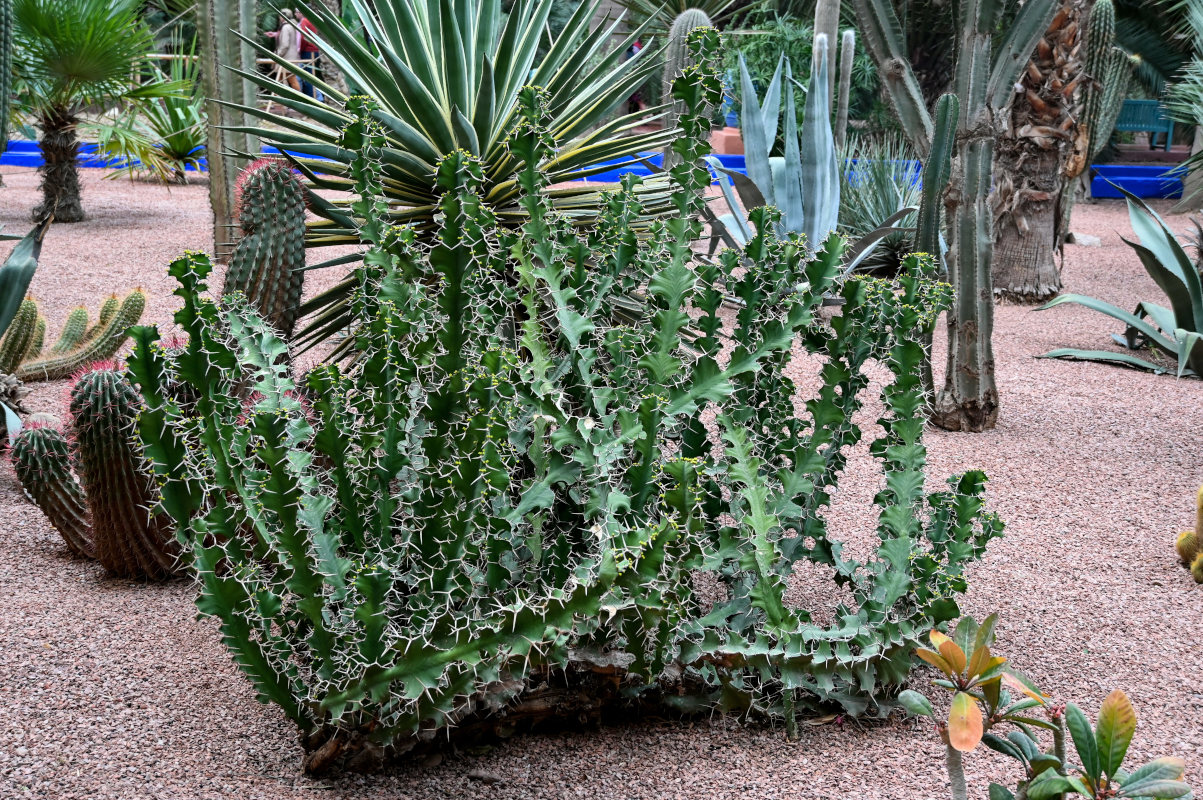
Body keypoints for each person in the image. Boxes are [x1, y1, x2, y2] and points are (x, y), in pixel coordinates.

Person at [264, 10, 302, 92]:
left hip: (286, 57)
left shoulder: (285, 27)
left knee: (291, 79)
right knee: (282, 78)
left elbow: (285, 45)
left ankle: (300, 99)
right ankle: (281, 101)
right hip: (291, 56)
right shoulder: (292, 25)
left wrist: (277, 55)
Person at [295, 9, 323, 100]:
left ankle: (312, 100)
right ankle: (318, 99)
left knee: (308, 77)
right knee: (312, 75)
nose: (296, 14)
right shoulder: (312, 21)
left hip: (308, 51)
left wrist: (301, 50)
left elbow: (303, 38)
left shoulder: (305, 21)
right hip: (314, 50)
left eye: (297, 12)